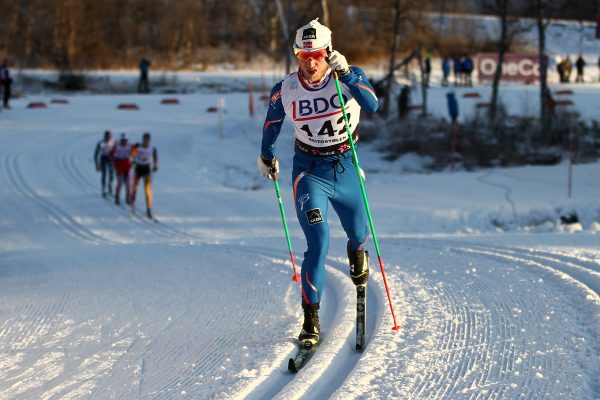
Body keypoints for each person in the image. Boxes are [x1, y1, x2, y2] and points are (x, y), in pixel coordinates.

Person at [257, 19, 378, 346]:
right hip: (309, 170)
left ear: (329, 52)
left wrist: (349, 74)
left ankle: (357, 251)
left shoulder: (348, 77)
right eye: (303, 54)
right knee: (318, 243)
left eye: (317, 54)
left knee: (358, 233)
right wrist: (266, 155)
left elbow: (373, 104)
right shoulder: (286, 88)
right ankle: (311, 320)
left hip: (345, 165)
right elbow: (272, 124)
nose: (309, 62)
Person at [130, 132, 158, 219]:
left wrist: (155, 165)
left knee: (147, 190)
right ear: (143, 139)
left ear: (149, 140)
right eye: (145, 139)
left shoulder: (152, 148)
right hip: (138, 168)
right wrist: (133, 157)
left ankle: (149, 209)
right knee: (134, 188)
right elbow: (131, 155)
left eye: (148, 139)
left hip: (146, 169)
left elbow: (155, 157)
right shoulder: (138, 147)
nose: (146, 141)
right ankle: (133, 207)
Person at [110, 134, 133, 206]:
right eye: (122, 141)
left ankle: (127, 198)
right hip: (119, 166)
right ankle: (117, 197)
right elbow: (110, 154)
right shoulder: (116, 146)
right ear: (120, 141)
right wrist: (113, 161)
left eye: (125, 141)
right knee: (119, 183)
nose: (124, 142)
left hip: (126, 166)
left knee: (127, 184)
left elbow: (135, 152)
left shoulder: (129, 146)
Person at [94, 130, 115, 197]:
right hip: (103, 158)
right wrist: (96, 163)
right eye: (106, 137)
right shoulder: (100, 143)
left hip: (110, 158)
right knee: (104, 174)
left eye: (109, 137)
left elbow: (116, 151)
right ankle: (103, 190)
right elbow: (96, 154)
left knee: (112, 174)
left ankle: (110, 186)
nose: (107, 138)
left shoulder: (113, 142)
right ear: (104, 136)